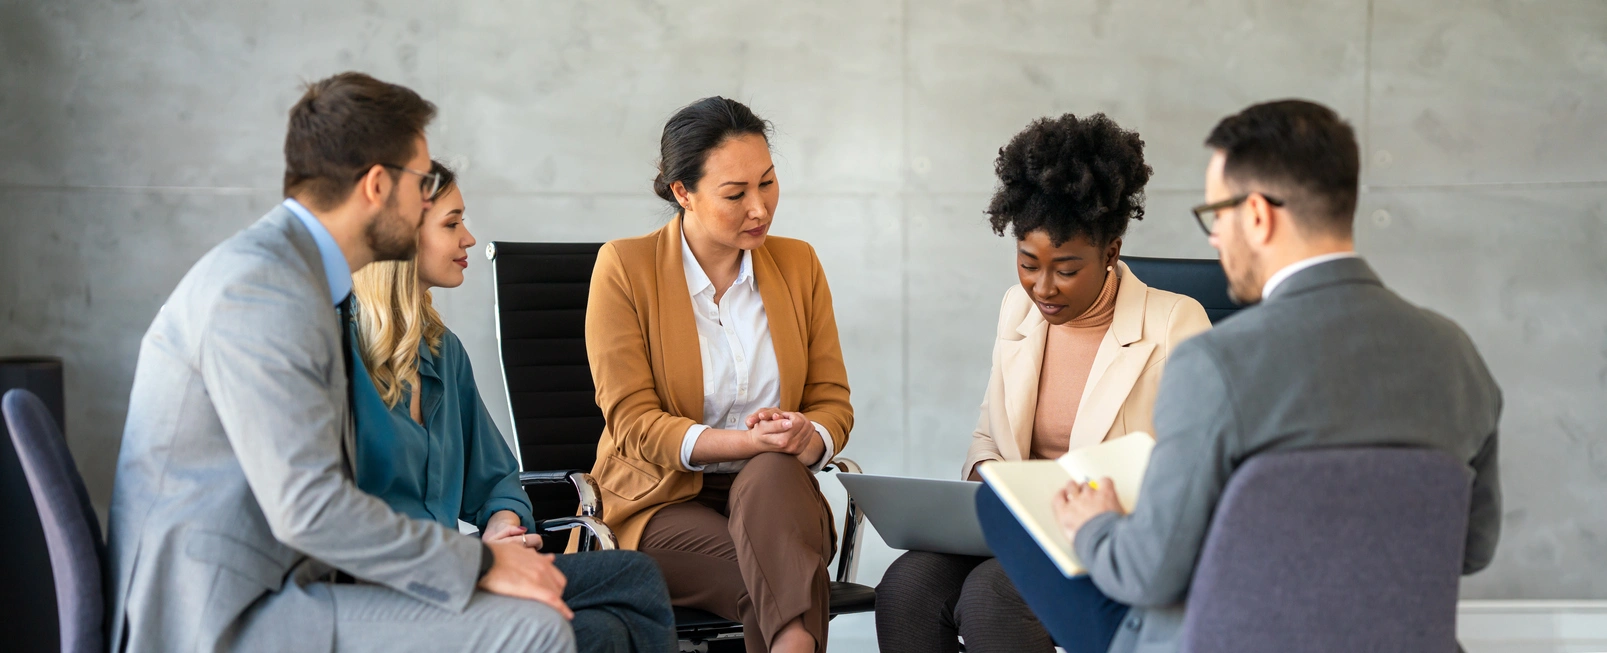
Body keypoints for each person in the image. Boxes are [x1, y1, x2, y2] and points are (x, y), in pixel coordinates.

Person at [977, 99, 1503, 653]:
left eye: (1217, 216)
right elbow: (1470, 547)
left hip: (1222, 638)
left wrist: (1095, 523)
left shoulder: (1215, 364)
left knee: (998, 509)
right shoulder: (1456, 353)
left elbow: (1147, 573)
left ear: (1257, 215)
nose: (1215, 239)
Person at [107, 73, 577, 652]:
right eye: (422, 182)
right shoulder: (261, 291)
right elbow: (309, 508)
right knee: (534, 629)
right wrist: (479, 562)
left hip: (286, 584)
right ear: (379, 185)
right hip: (220, 612)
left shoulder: (298, 281)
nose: (427, 200)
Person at [875, 114, 1210, 653]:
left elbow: (1195, 468)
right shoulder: (1016, 310)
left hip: (1106, 537)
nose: (1043, 288)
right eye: (1028, 263)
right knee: (906, 586)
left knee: (990, 595)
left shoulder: (1175, 323)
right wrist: (991, 477)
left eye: (1067, 269)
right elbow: (989, 437)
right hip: (1019, 529)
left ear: (1111, 252)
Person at [346, 160, 677, 652]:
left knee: (601, 631)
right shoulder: (334, 354)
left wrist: (501, 526)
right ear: (401, 236)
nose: (470, 239)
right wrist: (475, 564)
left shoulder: (442, 351)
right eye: (452, 223)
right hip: (386, 594)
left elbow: (497, 480)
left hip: (462, 579)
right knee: (631, 576)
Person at [583, 97, 853, 653]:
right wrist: (743, 440)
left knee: (772, 471)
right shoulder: (624, 269)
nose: (760, 209)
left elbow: (832, 401)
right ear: (682, 193)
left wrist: (811, 435)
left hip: (779, 501)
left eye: (768, 183)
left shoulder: (799, 265)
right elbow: (632, 420)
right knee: (787, 581)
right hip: (658, 507)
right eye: (736, 194)